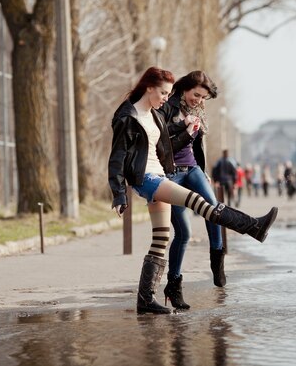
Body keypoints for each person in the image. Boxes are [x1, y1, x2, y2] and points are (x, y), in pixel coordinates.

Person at [108, 67, 278, 315]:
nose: (167, 97)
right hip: (146, 179)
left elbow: (166, 139)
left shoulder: (153, 115)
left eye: (169, 93)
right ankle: (253, 226)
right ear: (149, 88)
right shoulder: (127, 116)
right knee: (198, 202)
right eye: (164, 92)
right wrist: (119, 193)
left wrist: (186, 128)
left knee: (162, 238)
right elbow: (117, 157)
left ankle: (145, 300)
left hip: (160, 174)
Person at [156, 70, 226, 310]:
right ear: (185, 88)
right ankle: (173, 286)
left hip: (193, 169)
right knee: (183, 233)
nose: (199, 100)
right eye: (196, 95)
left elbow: (197, 145)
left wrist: (203, 169)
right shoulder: (167, 106)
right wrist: (184, 129)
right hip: (171, 174)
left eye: (203, 97)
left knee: (214, 209)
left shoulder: (198, 110)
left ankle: (217, 258)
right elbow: (160, 142)